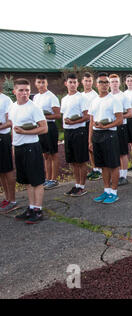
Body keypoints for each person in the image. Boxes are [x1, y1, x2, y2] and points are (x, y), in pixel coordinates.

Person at [10, 78, 48, 224]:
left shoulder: (34, 107)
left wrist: (25, 133)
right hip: (19, 148)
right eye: (21, 90)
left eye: (27, 90)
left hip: (31, 148)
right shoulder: (13, 107)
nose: (24, 93)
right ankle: (31, 208)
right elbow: (14, 130)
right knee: (26, 180)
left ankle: (38, 210)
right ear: (15, 92)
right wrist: (14, 147)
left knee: (36, 181)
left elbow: (44, 128)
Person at [88, 73, 123, 204]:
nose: (104, 85)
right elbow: (91, 122)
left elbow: (120, 120)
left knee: (113, 165)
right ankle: (106, 190)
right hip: (97, 136)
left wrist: (106, 126)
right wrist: (90, 140)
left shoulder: (114, 100)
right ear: (96, 85)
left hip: (109, 135)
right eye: (101, 82)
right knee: (103, 166)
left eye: (106, 82)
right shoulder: (94, 101)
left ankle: (114, 192)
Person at [60, 73, 90, 197]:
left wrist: (73, 122)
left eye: (74, 82)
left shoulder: (81, 98)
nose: (72, 84)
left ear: (78, 84)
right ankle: (76, 184)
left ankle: (82, 186)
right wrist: (68, 123)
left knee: (80, 161)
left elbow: (87, 116)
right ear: (66, 83)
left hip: (79, 131)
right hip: (68, 132)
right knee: (72, 161)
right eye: (70, 82)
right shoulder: (64, 99)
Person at [32, 74, 61, 190]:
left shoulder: (51, 97)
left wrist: (43, 116)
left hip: (50, 127)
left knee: (53, 153)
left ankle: (54, 179)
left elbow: (58, 115)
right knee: (45, 154)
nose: (41, 85)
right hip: (40, 128)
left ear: (47, 83)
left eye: (43, 82)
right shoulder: (36, 97)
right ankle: (47, 178)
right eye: (39, 82)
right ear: (35, 83)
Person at [109, 74, 132, 186]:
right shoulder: (107, 97)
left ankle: (124, 175)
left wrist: (119, 117)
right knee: (113, 152)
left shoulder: (124, 97)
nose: (114, 83)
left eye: (116, 81)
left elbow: (130, 113)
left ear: (119, 83)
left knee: (123, 152)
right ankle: (116, 174)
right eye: (112, 81)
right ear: (109, 83)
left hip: (121, 127)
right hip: (110, 128)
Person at [82, 73, 101, 181]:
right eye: (86, 80)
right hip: (83, 124)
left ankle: (99, 169)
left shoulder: (95, 95)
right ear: (82, 82)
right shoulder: (81, 95)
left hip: (92, 123)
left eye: (90, 81)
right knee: (89, 148)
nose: (88, 83)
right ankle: (94, 168)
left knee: (94, 147)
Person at [0, 91, 17, 213]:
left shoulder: (5, 100)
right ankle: (6, 198)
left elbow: (10, 122)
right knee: (1, 171)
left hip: (3, 138)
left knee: (7, 170)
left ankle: (13, 200)